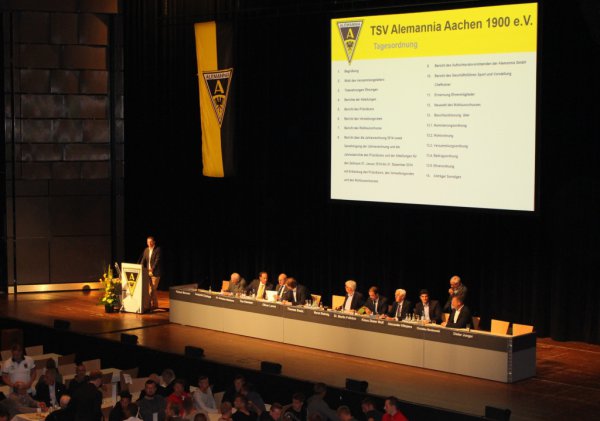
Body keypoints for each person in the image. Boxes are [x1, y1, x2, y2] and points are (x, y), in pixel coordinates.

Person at [141, 235, 162, 310]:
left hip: (155, 273)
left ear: (154, 242)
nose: (149, 243)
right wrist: (140, 267)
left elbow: (157, 260)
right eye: (148, 242)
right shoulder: (146, 250)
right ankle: (155, 305)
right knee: (152, 290)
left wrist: (152, 269)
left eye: (150, 242)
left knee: (152, 289)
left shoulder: (158, 249)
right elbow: (143, 260)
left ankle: (147, 305)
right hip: (147, 273)